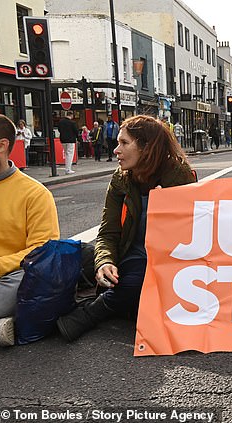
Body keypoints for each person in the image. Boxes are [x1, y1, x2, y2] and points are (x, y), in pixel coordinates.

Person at [56, 115, 196, 342]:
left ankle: (92, 312)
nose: (115, 150)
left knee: (138, 282)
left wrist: (166, 207)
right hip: (134, 255)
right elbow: (108, 232)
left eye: (124, 143)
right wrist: (105, 262)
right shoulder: (120, 180)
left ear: (147, 148)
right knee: (128, 279)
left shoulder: (180, 177)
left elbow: (196, 232)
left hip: (169, 259)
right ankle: (129, 304)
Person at [0, 114, 60, 347]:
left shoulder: (34, 193)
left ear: (1, 146)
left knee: (31, 278)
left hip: (13, 274)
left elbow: (42, 251)